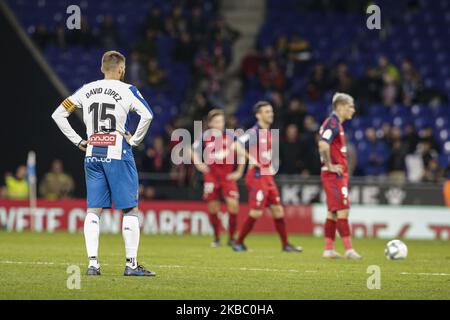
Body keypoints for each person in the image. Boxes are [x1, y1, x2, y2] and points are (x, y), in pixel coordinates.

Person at [51, 51, 155, 276]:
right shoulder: (128, 90)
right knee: (130, 209)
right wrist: (134, 140)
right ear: (121, 69)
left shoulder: (86, 88)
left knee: (93, 210)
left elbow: (58, 114)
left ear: (102, 68)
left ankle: (92, 265)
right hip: (117, 151)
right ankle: (131, 265)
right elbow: (147, 115)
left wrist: (79, 140)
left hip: (92, 152)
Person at [232, 101, 303, 253]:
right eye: (266, 112)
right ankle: (238, 242)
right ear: (258, 115)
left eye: (271, 111)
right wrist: (251, 158)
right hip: (257, 176)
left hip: (267, 176)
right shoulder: (253, 132)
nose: (270, 114)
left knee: (278, 210)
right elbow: (236, 145)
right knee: (256, 212)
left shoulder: (269, 133)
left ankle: (285, 245)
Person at [318, 92, 361, 259]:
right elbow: (323, 144)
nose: (353, 110)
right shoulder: (332, 123)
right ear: (341, 107)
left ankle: (328, 249)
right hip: (333, 176)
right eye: (351, 106)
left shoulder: (336, 124)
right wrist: (329, 165)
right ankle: (349, 249)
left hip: (335, 176)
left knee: (333, 212)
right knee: (343, 210)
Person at [191, 109, 244, 247]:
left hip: (227, 176)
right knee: (213, 208)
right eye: (216, 122)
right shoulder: (204, 137)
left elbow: (242, 154)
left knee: (233, 206)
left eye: (220, 121)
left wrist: (239, 172)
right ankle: (216, 238)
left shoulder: (231, 136)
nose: (219, 124)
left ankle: (232, 238)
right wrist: (199, 164)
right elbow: (192, 150)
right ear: (210, 123)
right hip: (211, 176)